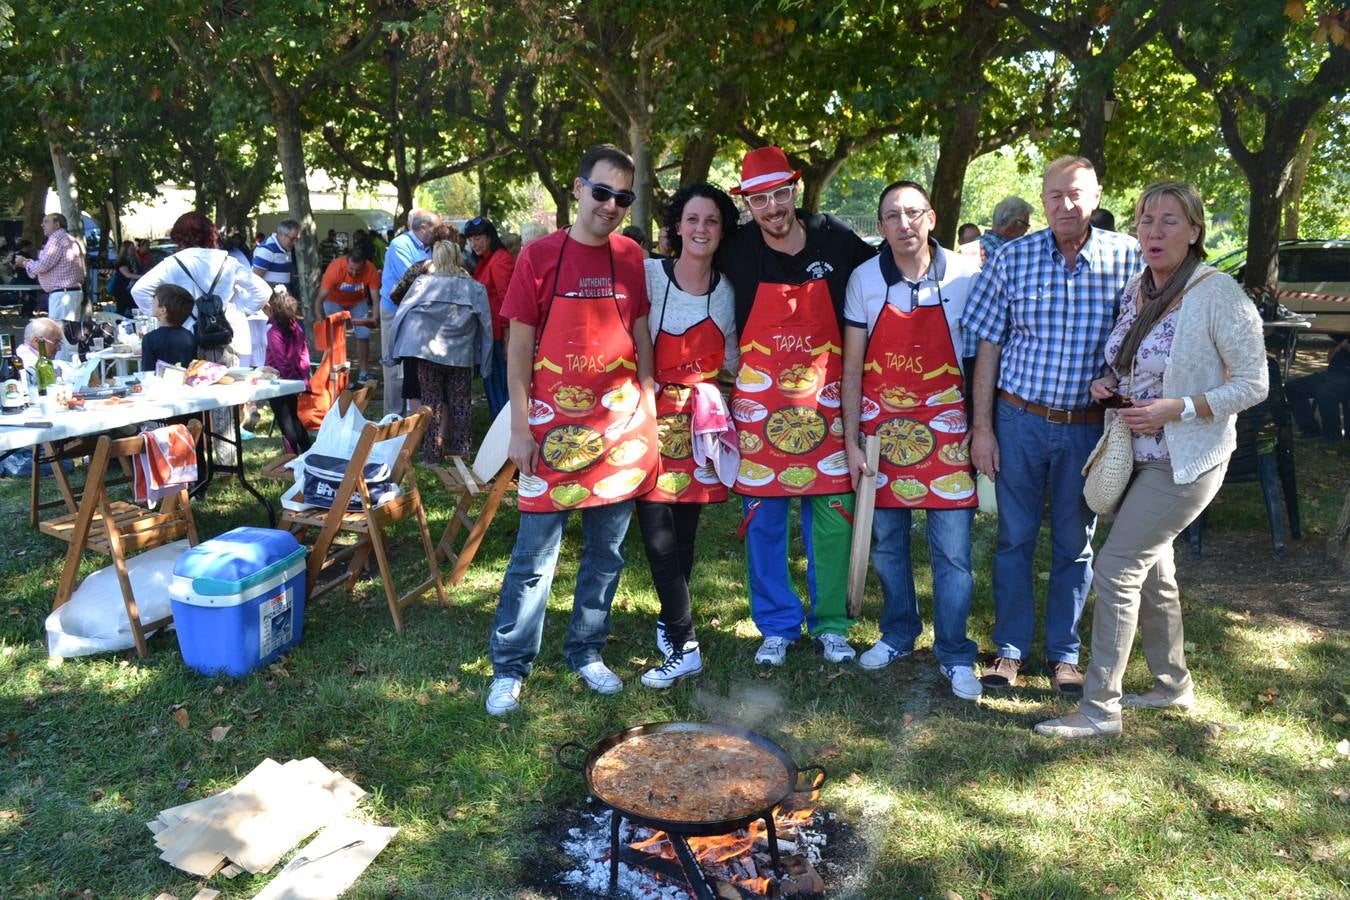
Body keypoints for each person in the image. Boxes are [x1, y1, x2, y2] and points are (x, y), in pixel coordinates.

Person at [1036, 181, 1267, 739]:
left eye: (1169, 221)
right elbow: (1130, 360)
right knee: (1154, 572)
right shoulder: (1141, 287)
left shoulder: (1219, 294)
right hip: (1136, 452)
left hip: (1187, 462)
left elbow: (1255, 383)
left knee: (1116, 569)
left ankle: (1099, 710)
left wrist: (1177, 408)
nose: (1154, 232)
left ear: (1194, 231)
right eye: (1145, 221)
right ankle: (1171, 685)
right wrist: (1109, 383)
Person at [486, 144, 658, 715]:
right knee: (535, 554)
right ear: (579, 189)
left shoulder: (632, 257)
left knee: (606, 552)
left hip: (618, 426)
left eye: (623, 198)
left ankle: (586, 651)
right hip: (549, 424)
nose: (610, 205)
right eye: (602, 192)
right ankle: (510, 666)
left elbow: (640, 333)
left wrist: (650, 404)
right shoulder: (539, 256)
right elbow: (518, 347)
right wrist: (518, 426)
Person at [962, 156, 1142, 695]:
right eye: (1055, 195)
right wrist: (983, 427)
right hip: (1019, 420)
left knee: (1075, 543)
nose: (1065, 205)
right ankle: (1009, 649)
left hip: (1087, 429)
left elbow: (1140, 339)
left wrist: (1117, 379)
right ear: (1042, 200)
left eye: (1076, 194)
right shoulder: (1012, 259)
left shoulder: (1128, 259)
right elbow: (987, 347)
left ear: (1096, 196)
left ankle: (1066, 654)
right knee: (1014, 538)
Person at [716, 146, 877, 666]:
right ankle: (777, 625)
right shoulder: (734, 248)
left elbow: (879, 286)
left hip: (828, 409)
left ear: (795, 191)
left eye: (780, 194)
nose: (772, 208)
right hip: (760, 412)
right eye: (759, 199)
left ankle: (832, 624)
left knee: (832, 520)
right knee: (763, 522)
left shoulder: (837, 240)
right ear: (747, 204)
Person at [842, 181, 983, 700]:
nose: (904, 224)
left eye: (913, 213)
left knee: (953, 553)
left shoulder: (969, 275)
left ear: (932, 218)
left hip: (949, 432)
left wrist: (981, 429)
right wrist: (854, 440)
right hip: (882, 434)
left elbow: (983, 357)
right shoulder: (864, 279)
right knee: (886, 546)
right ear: (880, 227)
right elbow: (852, 366)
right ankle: (899, 634)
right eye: (892, 216)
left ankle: (954, 652)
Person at [636, 183, 740, 689]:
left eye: (712, 221)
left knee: (684, 535)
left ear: (723, 232)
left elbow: (736, 359)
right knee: (655, 533)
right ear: (677, 226)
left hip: (700, 424)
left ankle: (668, 619)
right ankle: (686, 640)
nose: (701, 229)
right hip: (647, 418)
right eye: (693, 219)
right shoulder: (649, 277)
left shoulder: (728, 292)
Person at [386, 239, 492, 461]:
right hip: (461, 356)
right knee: (461, 403)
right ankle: (462, 451)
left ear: (436, 259)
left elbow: (400, 315)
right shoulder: (475, 287)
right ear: (458, 258)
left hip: (427, 354)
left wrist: (391, 353)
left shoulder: (423, 284)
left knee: (430, 403)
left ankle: (431, 453)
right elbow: (487, 327)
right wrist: (486, 362)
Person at [132, 212, 272, 366]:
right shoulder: (227, 262)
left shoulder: (172, 264)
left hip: (186, 336)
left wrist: (165, 316)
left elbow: (139, 290)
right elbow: (263, 291)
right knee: (228, 386)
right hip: (227, 337)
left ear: (178, 236)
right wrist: (238, 310)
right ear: (210, 234)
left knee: (191, 383)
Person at [379, 209, 440, 412]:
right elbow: (416, 279)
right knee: (394, 367)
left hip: (418, 312)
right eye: (436, 228)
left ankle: (416, 415)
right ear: (423, 228)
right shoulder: (400, 245)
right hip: (395, 311)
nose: (438, 232)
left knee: (414, 367)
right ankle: (393, 417)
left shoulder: (430, 246)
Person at [464, 216, 516, 419]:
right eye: (470, 239)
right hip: (489, 334)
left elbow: (508, 301)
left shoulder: (499, 260)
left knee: (501, 386)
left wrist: (507, 337)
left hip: (498, 336)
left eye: (478, 238)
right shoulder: (486, 261)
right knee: (493, 385)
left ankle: (505, 429)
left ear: (489, 237)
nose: (474, 243)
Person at [316, 245, 380, 383]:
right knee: (336, 338)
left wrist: (374, 318)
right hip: (333, 300)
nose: (354, 273)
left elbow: (375, 300)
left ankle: (363, 373)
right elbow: (319, 299)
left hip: (358, 301)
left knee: (364, 335)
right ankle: (339, 374)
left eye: (358, 270)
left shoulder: (371, 270)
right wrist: (321, 321)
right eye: (351, 269)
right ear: (346, 262)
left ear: (364, 265)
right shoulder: (335, 268)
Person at [264, 288, 313, 456]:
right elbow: (303, 354)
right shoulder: (297, 328)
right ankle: (308, 453)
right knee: (293, 417)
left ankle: (292, 458)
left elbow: (281, 362)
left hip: (278, 382)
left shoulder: (274, 332)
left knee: (285, 420)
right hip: (294, 381)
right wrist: (302, 379)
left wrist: (292, 380)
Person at [13, 212, 86, 322]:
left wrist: (24, 262)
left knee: (58, 334)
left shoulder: (56, 239)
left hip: (63, 295)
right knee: (70, 333)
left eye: (46, 222)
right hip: (71, 293)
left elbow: (42, 266)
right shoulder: (71, 239)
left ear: (57, 225)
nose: (42, 225)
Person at [1286, 334, 1350, 440]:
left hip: (1346, 378)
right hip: (1332, 374)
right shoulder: (1344, 336)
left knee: (1325, 392)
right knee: (1292, 387)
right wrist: (1340, 347)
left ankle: (1332, 437)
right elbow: (1330, 358)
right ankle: (1311, 430)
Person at [141, 284, 198, 370]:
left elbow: (148, 371)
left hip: (159, 382)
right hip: (183, 382)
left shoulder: (149, 338)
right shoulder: (189, 336)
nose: (152, 302)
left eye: (154, 299)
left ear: (163, 310)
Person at [977, 196, 1034, 263]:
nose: (1026, 230)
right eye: (1026, 225)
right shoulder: (1007, 254)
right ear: (1014, 224)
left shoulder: (974, 245)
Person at [251, 220, 299, 296]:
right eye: (292, 239)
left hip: (281, 301)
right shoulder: (267, 250)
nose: (295, 243)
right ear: (281, 234)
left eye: (297, 239)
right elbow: (254, 280)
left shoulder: (286, 248)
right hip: (268, 301)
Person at [108, 240, 143, 317]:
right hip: (123, 289)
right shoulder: (122, 261)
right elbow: (127, 274)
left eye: (133, 247)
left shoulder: (135, 260)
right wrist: (141, 276)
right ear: (126, 249)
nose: (133, 249)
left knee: (135, 309)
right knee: (122, 309)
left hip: (134, 289)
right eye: (131, 248)